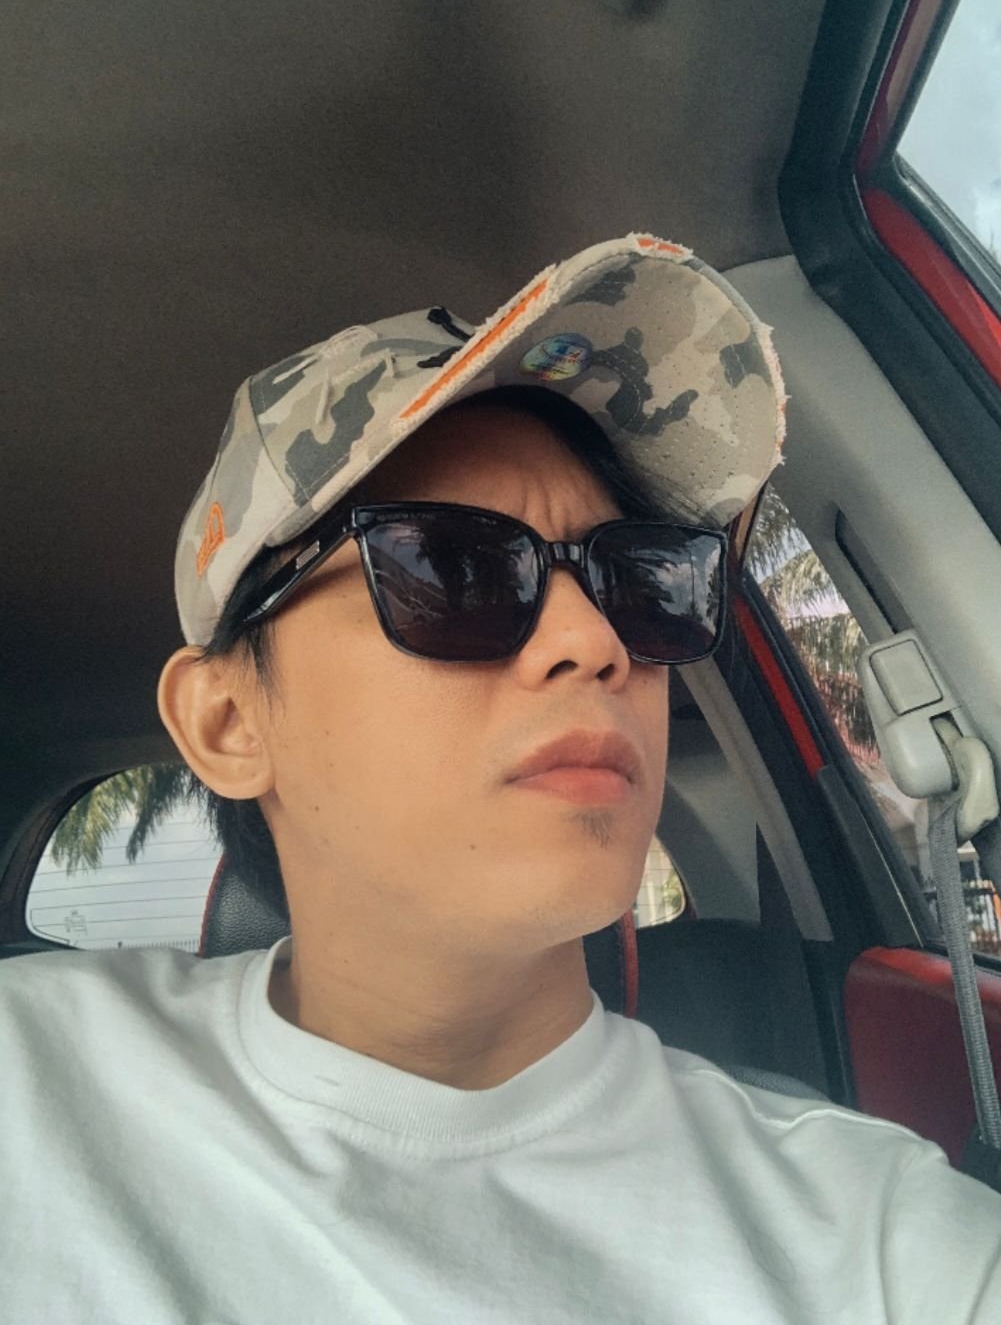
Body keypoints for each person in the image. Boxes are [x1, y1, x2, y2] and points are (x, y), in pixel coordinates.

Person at [3, 232, 1000, 1322]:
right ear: (229, 721)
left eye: (641, 580)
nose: (593, 639)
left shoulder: (873, 1241)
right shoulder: (31, 1080)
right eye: (452, 570)